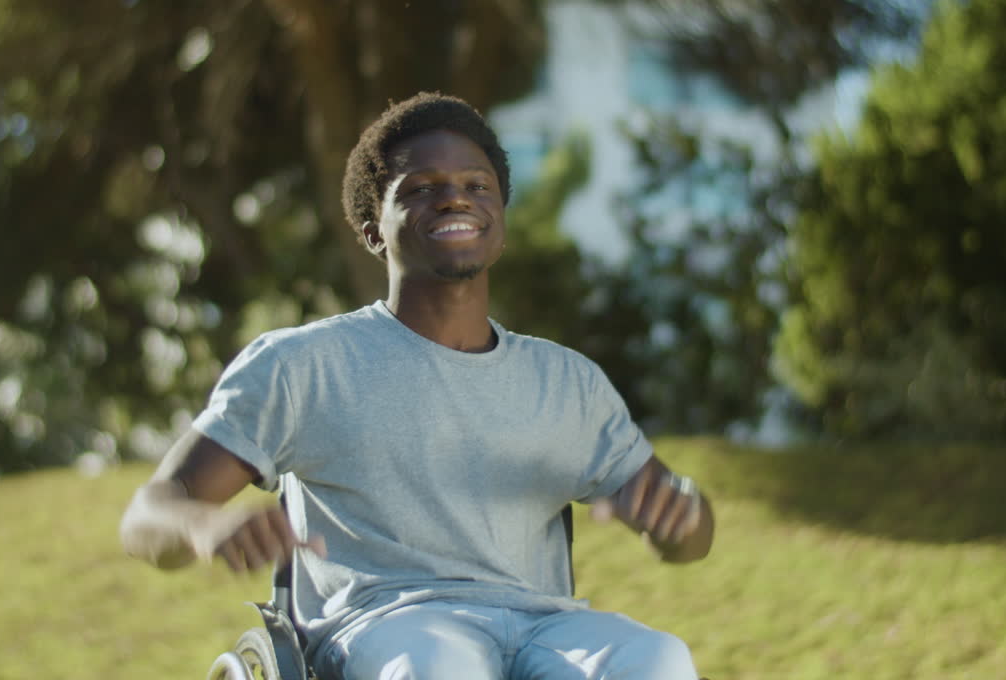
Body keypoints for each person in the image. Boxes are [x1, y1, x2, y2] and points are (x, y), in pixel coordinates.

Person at [120, 92, 715, 679]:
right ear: (372, 228)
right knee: (440, 665)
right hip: (386, 627)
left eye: (477, 185)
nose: (455, 196)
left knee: (657, 658)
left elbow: (689, 534)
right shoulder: (303, 365)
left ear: (500, 219)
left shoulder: (567, 382)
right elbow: (149, 514)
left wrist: (682, 518)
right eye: (421, 188)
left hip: (543, 629)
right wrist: (205, 526)